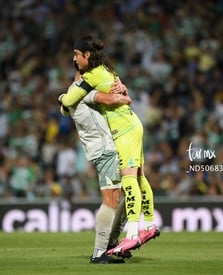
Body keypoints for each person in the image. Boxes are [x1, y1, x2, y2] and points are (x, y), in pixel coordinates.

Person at [60, 35, 160, 256]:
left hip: (123, 130)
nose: (74, 59)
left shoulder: (92, 76)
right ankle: (149, 225)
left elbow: (68, 102)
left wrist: (62, 98)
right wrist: (124, 93)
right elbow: (121, 95)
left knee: (128, 180)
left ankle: (132, 235)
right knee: (139, 178)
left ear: (87, 55)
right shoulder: (105, 70)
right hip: (131, 125)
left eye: (77, 55)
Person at [58, 64, 132, 264]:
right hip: (104, 149)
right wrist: (124, 95)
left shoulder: (71, 96)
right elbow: (111, 98)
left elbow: (64, 107)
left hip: (104, 148)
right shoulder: (81, 93)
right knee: (111, 199)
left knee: (129, 191)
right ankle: (100, 252)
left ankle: (111, 243)